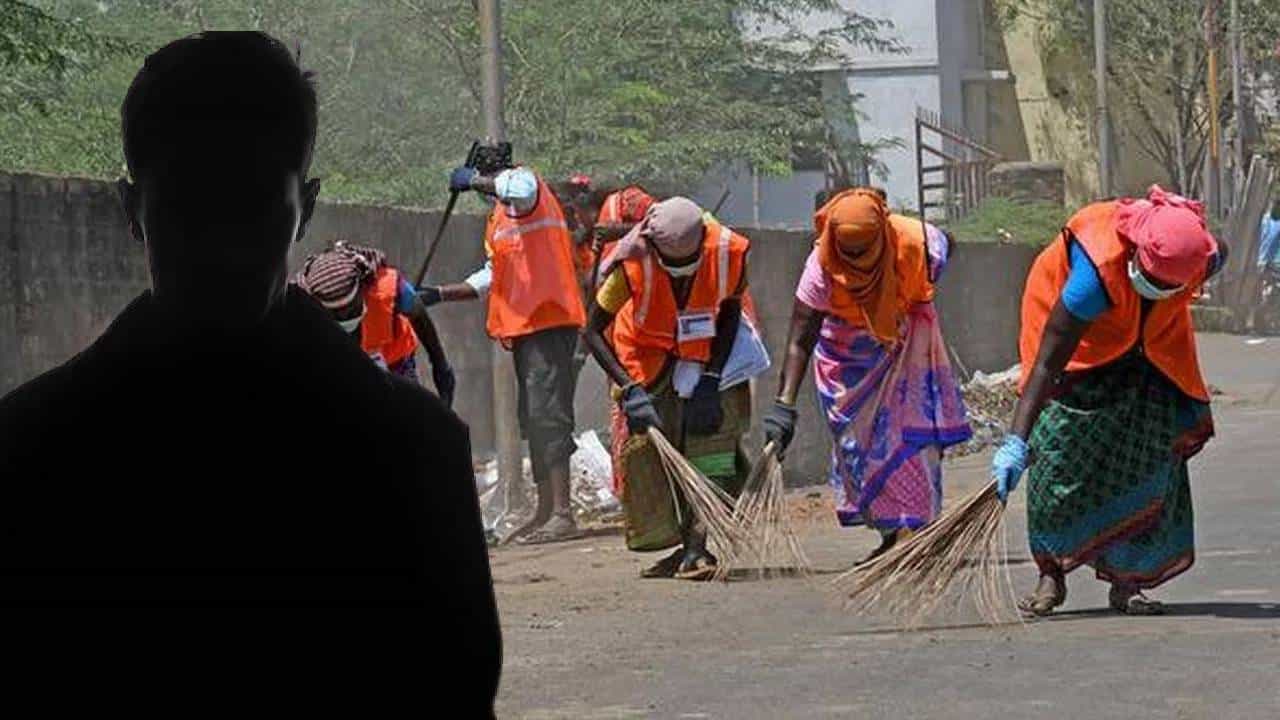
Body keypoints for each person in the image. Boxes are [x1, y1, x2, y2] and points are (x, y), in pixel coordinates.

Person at [0, 32, 500, 713]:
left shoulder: (33, 446)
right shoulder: (413, 449)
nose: (222, 250)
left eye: (250, 207)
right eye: (191, 209)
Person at [993, 185, 1223, 617]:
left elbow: (1213, 256)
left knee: (1147, 459)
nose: (1158, 289)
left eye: (1169, 287)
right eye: (1152, 281)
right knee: (1056, 462)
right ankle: (1052, 574)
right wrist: (1016, 441)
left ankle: (1128, 581)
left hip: (1147, 352)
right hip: (1077, 355)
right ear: (1137, 255)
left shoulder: (1201, 255)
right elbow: (1046, 364)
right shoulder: (1092, 276)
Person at [762, 188, 972, 563]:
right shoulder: (820, 265)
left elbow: (945, 245)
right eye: (848, 251)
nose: (856, 260)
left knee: (910, 441)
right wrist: (784, 404)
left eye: (864, 250)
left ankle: (916, 532)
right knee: (858, 449)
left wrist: (910, 305)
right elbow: (800, 337)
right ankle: (892, 535)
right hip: (847, 367)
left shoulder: (914, 241)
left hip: (907, 355)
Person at [582, 197, 753, 581]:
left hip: (706, 356)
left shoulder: (728, 254)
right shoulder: (631, 265)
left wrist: (710, 380)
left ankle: (698, 545)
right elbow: (591, 330)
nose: (680, 276)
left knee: (709, 448)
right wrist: (629, 389)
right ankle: (681, 545)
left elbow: (729, 314)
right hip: (647, 363)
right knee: (656, 455)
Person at [422, 159, 587, 545]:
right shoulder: (502, 219)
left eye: (486, 186)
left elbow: (521, 186)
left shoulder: (528, 190)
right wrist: (439, 294)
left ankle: (563, 513)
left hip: (550, 323)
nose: (483, 194)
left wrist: (475, 179)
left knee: (549, 415)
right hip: (527, 328)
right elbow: (493, 274)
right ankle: (545, 510)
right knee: (532, 418)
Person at [295, 240, 456, 406]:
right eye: (336, 315)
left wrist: (440, 366)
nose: (345, 318)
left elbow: (419, 315)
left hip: (395, 366)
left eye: (350, 310)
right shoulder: (304, 306)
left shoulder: (387, 289)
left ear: (362, 291)